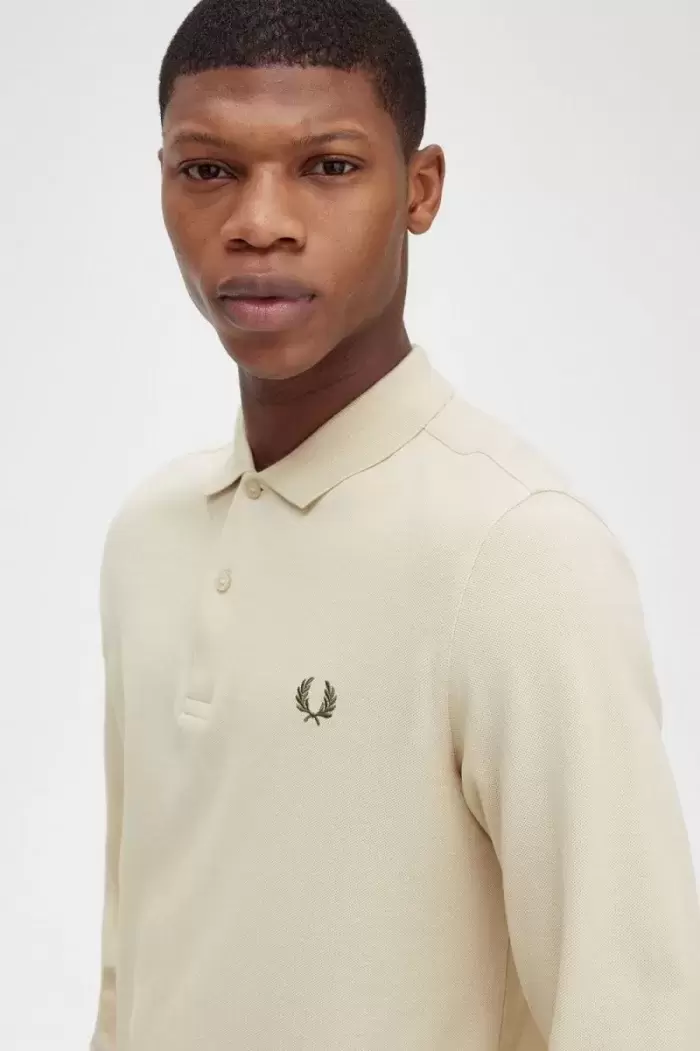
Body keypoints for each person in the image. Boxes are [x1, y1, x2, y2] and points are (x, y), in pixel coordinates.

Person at [89, 1, 700, 1048]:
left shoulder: (519, 550)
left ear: (419, 190)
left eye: (328, 167)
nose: (260, 221)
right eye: (209, 169)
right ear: (162, 181)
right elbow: (130, 971)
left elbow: (637, 1015)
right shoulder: (148, 539)